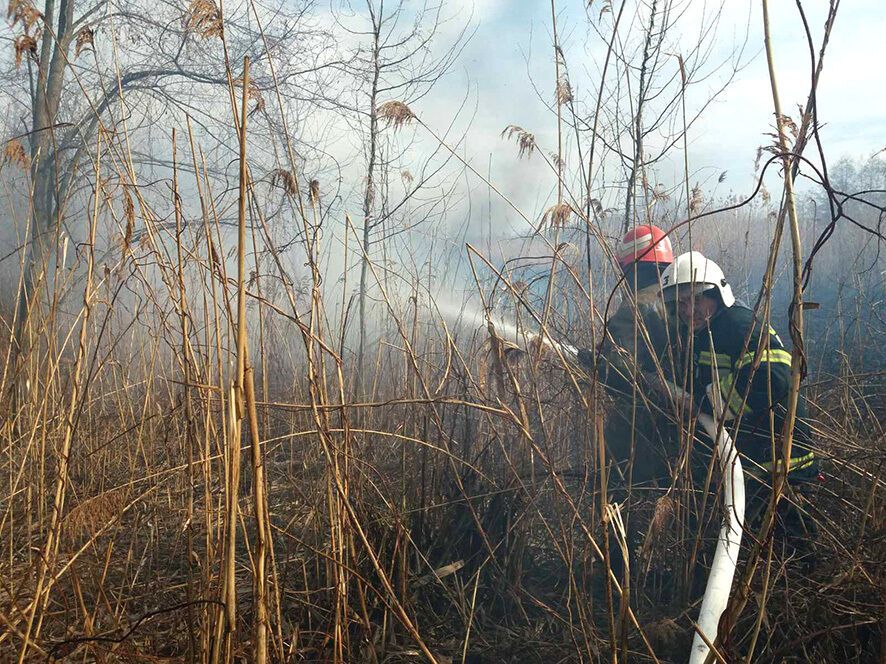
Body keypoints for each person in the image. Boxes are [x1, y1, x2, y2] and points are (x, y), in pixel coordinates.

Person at [659, 251, 818, 544]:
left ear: (718, 295)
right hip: (747, 464)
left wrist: (703, 405)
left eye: (697, 300)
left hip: (778, 463)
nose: (688, 310)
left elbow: (774, 379)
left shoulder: (739, 326)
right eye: (680, 303)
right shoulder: (703, 332)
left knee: (790, 550)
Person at [575, 225, 678, 485]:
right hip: (678, 425)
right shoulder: (680, 300)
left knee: (615, 486)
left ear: (628, 268)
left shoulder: (634, 307)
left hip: (639, 425)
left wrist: (597, 364)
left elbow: (625, 374)